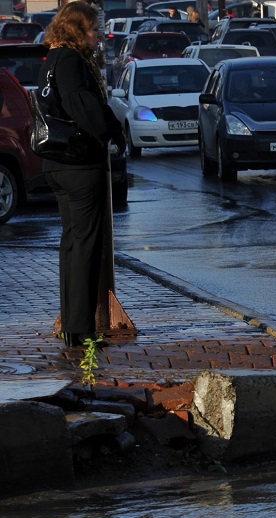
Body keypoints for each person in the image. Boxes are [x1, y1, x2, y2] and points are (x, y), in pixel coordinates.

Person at [40, 2, 126, 348]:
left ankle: (74, 326)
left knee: (73, 245)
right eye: (92, 29)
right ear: (77, 30)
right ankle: (82, 330)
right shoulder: (73, 62)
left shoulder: (53, 59)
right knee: (87, 246)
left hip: (59, 165)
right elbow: (83, 105)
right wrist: (111, 131)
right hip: (79, 165)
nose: (98, 35)